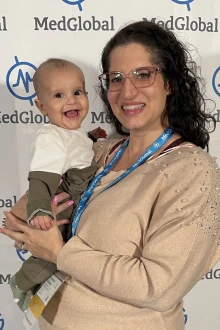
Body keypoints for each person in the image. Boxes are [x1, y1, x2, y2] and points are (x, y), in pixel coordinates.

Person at [1, 20, 220, 330]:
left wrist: (60, 253)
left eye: (143, 75)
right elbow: (40, 215)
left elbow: (158, 288)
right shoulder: (98, 151)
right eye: (116, 78)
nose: (127, 90)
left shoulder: (193, 172)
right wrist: (30, 227)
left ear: (169, 83)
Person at [8, 57, 107, 312]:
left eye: (77, 92)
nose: (71, 100)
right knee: (59, 252)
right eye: (59, 95)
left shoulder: (70, 131)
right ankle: (22, 282)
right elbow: (41, 176)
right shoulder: (50, 137)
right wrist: (39, 209)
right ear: (42, 106)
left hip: (79, 190)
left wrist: (93, 137)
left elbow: (76, 148)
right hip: (66, 198)